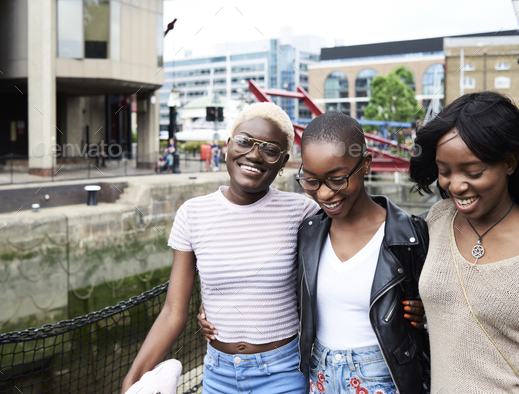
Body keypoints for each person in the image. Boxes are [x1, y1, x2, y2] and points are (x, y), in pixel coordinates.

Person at [199, 112, 429, 394]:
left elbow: (441, 299)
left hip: (382, 374)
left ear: (366, 165)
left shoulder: (408, 234)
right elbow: (261, 270)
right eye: (311, 181)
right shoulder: (308, 230)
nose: (324, 194)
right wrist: (216, 306)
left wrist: (428, 311)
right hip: (317, 374)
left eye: (337, 179)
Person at [121, 102, 321, 394]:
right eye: (244, 142)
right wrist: (132, 379)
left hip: (283, 373)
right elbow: (173, 311)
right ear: (228, 146)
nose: (254, 154)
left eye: (270, 149)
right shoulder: (192, 214)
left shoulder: (303, 212)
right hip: (218, 376)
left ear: (283, 162)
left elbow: (333, 280)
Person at [410, 91, 519, 392]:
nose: (455, 185)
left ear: (509, 162)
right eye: (444, 172)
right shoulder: (438, 218)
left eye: (473, 172)